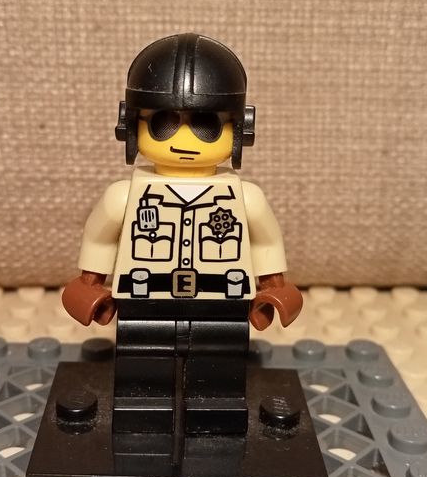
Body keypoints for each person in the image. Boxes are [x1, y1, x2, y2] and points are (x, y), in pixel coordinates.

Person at [62, 33, 303, 436]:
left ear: (240, 129)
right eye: (164, 124)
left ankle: (216, 423)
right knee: (142, 364)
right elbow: (101, 238)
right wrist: (89, 282)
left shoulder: (246, 197)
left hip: (222, 299)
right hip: (144, 297)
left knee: (219, 365)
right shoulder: (124, 196)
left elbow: (264, 241)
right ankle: (141, 420)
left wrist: (274, 285)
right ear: (132, 126)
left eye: (207, 126)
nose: (184, 140)